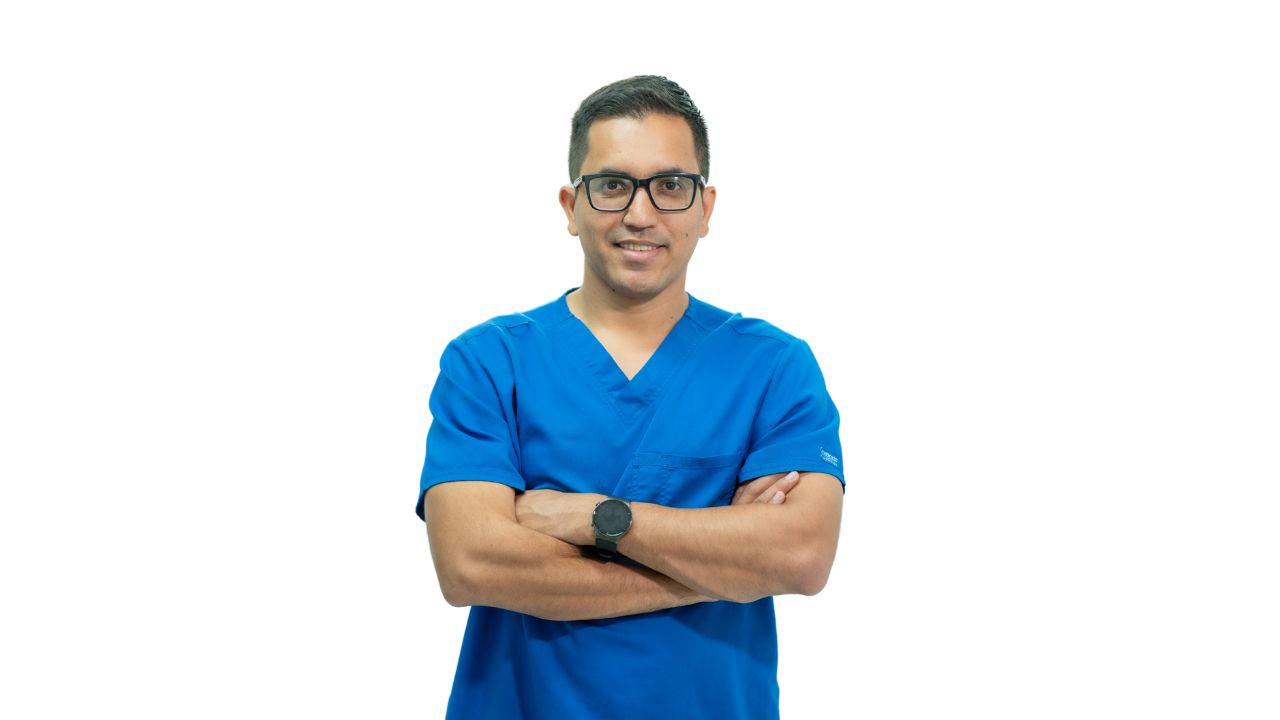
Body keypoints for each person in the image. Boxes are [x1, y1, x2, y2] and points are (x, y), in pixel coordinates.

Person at [416, 75, 845, 720]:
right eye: (613, 185)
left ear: (705, 208)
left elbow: (801, 556)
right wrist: (717, 569)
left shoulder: (772, 367)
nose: (641, 215)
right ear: (571, 206)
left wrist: (597, 518)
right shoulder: (488, 362)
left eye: (670, 186)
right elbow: (471, 565)